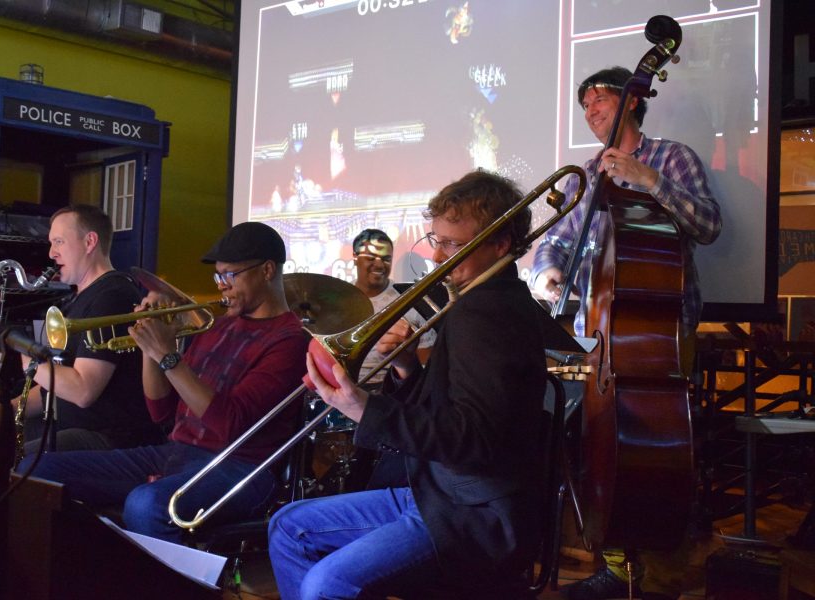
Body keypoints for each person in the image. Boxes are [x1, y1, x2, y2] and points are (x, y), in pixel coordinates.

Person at [268, 170, 548, 599]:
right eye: (437, 240)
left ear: (500, 244)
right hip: (438, 492)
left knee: (328, 582)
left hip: (473, 513)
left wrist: (364, 408)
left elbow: (472, 438)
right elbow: (451, 410)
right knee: (288, 526)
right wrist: (406, 367)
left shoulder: (487, 312)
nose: (437, 256)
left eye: (452, 244)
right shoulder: (479, 301)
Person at [531, 67, 722, 600]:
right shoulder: (585, 177)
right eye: (584, 105)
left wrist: (650, 180)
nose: (590, 111)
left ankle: (662, 577)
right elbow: (554, 242)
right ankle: (618, 567)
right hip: (597, 340)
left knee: (660, 457)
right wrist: (546, 271)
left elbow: (709, 226)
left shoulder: (672, 157)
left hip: (660, 332)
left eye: (600, 100)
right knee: (600, 450)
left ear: (633, 102)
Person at [18, 221, 309, 544]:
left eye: (230, 275)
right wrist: (149, 345)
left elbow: (229, 424)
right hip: (178, 452)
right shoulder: (217, 327)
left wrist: (167, 355)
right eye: (218, 277)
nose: (222, 287)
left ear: (267, 270)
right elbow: (161, 411)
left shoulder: (290, 340)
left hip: (244, 467)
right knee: (37, 470)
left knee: (146, 506)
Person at [0, 204, 160, 453]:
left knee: (9, 458)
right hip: (66, 425)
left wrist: (12, 356)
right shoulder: (76, 299)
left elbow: (83, 390)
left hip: (106, 436)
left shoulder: (112, 297)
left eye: (59, 242)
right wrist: (5, 409)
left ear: (89, 242)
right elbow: (54, 386)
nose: (51, 253)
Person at [351, 228, 435, 387]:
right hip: (341, 388)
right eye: (371, 258)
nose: (379, 264)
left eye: (386, 259)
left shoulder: (410, 300)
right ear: (355, 258)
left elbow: (427, 365)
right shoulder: (338, 300)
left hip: (391, 392)